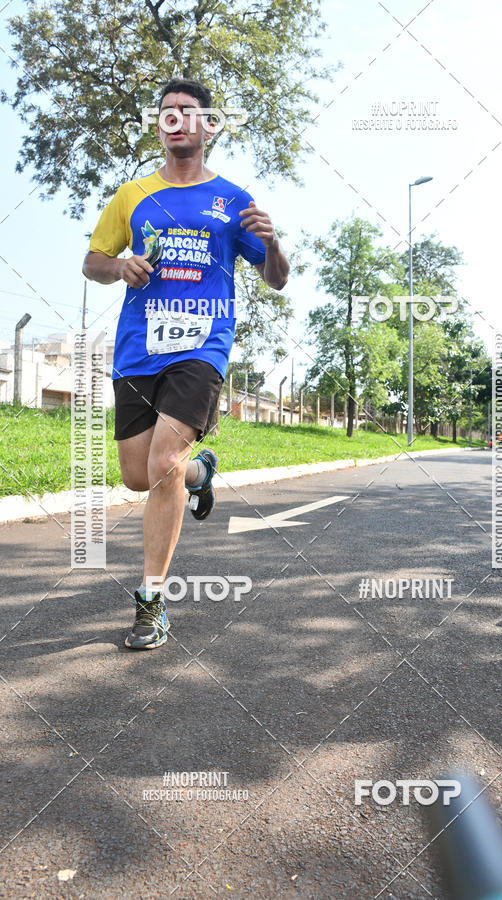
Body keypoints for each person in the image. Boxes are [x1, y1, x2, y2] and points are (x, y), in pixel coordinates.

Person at [82, 78, 289, 647]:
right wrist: (118, 267)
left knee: (165, 460)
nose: (176, 120)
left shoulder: (234, 199)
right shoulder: (132, 196)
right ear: (159, 127)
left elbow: (276, 279)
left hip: (203, 342)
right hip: (139, 346)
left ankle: (151, 601)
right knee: (137, 476)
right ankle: (202, 474)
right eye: (167, 113)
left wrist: (273, 243)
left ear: (208, 126)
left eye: (187, 112)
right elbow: (92, 260)